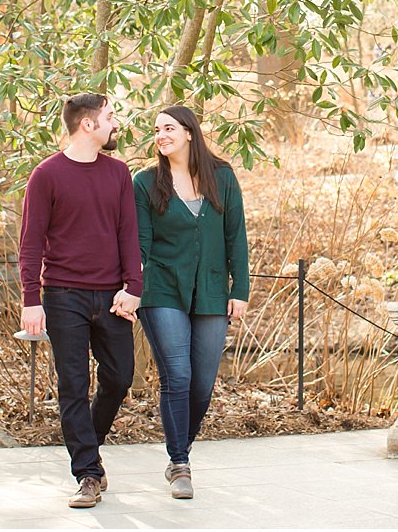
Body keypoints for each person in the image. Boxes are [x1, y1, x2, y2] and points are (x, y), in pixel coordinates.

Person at [19, 93, 142, 509]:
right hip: (62, 295)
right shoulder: (46, 175)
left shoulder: (118, 172)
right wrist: (30, 300)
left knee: (120, 378)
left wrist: (134, 287)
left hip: (112, 297)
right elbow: (31, 243)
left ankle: (86, 446)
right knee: (72, 384)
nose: (115, 124)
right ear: (87, 125)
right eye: (109, 117)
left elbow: (129, 234)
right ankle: (87, 472)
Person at [132, 105, 250, 500]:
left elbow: (237, 237)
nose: (160, 135)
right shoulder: (145, 182)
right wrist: (133, 287)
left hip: (213, 289)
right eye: (156, 130)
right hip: (161, 288)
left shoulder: (222, 176)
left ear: (188, 132)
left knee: (202, 384)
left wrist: (240, 290)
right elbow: (141, 245)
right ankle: (179, 462)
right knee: (177, 376)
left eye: (168, 128)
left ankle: (180, 448)